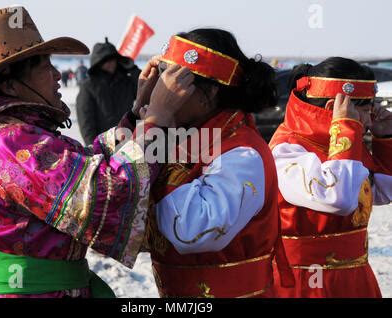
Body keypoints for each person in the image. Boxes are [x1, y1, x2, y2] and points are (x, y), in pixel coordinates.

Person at [0, 6, 190, 298]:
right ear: (9, 84)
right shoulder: (10, 143)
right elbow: (102, 195)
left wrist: (137, 115)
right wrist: (156, 120)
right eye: (45, 66)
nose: (58, 75)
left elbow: (80, 168)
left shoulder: (5, 134)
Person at [139, 28, 294, 298]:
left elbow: (193, 230)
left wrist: (157, 124)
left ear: (208, 93)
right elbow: (116, 191)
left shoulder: (242, 153)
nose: (160, 95)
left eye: (172, 85)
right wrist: (140, 110)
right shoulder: (184, 137)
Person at [269, 57, 392, 297]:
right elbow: (338, 198)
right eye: (365, 112)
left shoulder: (339, 149)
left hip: (355, 278)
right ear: (332, 110)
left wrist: (386, 139)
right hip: (304, 282)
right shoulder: (287, 150)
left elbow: (383, 192)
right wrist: (345, 128)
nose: (368, 121)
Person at [76, 37, 140, 145]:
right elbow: (86, 120)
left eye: (112, 59)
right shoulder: (89, 86)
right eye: (105, 60)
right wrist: (93, 146)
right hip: (103, 144)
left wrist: (132, 69)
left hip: (127, 141)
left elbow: (142, 90)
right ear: (98, 62)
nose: (110, 63)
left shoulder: (125, 82)